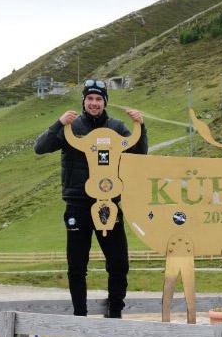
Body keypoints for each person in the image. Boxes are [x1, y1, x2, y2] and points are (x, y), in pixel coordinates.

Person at [34, 79, 148, 318]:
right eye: (90, 99)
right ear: (83, 101)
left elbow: (140, 153)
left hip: (110, 203)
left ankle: (114, 315)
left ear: (105, 102)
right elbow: (40, 147)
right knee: (77, 266)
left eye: (99, 99)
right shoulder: (70, 127)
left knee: (119, 263)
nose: (94, 103)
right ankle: (80, 317)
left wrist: (141, 125)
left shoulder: (117, 127)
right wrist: (58, 123)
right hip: (77, 204)